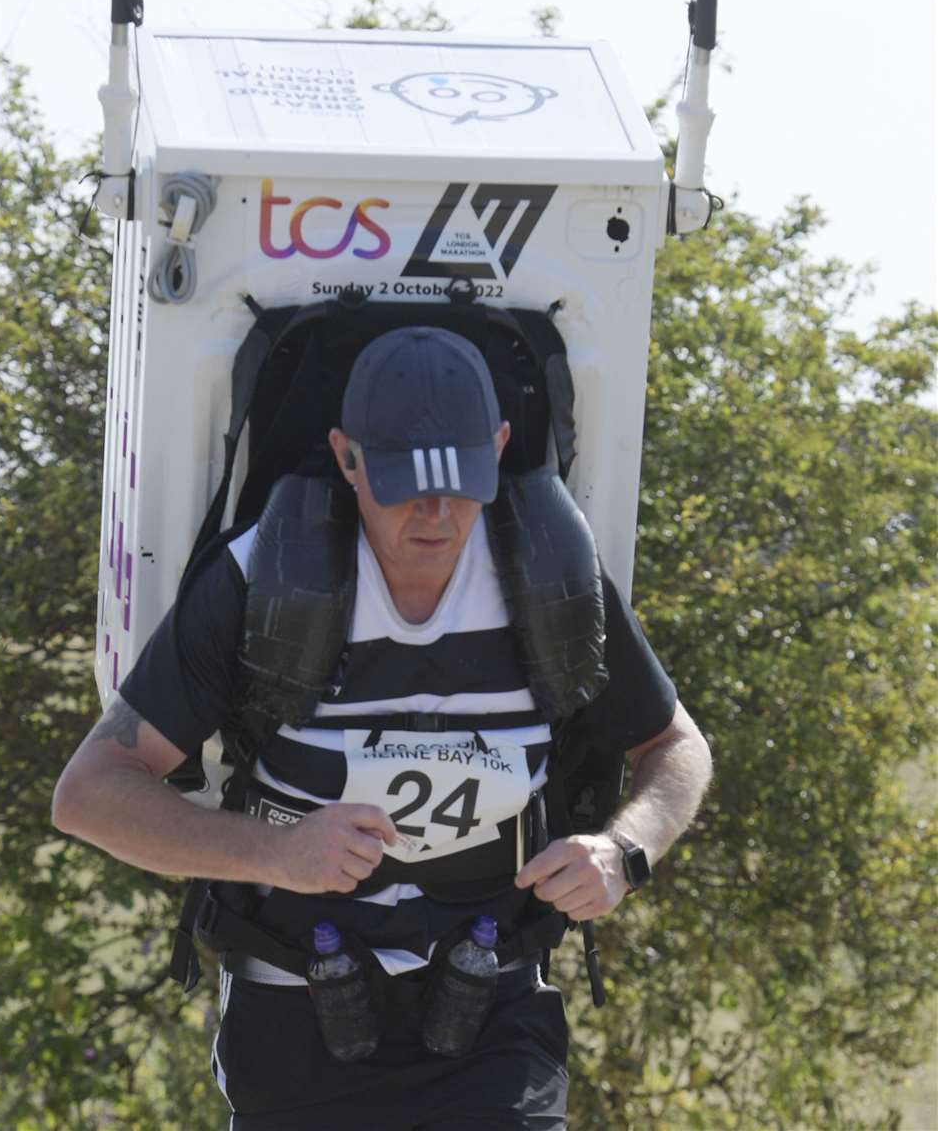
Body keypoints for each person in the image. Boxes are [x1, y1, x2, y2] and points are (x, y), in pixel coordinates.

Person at [52, 326, 712, 1130]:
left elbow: (676, 747)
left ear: (501, 447)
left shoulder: (554, 578)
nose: (435, 515)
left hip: (492, 1004)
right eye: (403, 484)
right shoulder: (261, 577)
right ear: (347, 456)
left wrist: (622, 850)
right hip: (301, 1010)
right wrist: (277, 853)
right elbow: (90, 795)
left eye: (462, 481)